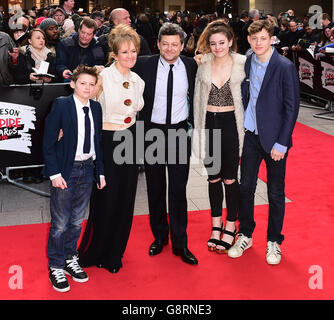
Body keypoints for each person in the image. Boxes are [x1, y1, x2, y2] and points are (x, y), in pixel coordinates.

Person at [228, 19, 300, 265]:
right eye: (254, 38)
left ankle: (274, 241)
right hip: (250, 135)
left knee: (275, 192)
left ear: (272, 39)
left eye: (263, 38)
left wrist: (282, 143)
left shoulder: (284, 66)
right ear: (249, 40)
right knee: (245, 187)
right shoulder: (247, 62)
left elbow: (292, 108)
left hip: (274, 140)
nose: (258, 43)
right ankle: (245, 234)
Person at [78, 24, 145, 274]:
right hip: (106, 141)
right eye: (125, 52)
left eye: (134, 52)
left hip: (130, 140)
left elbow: (137, 112)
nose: (130, 56)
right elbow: (83, 104)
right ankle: (96, 250)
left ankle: (115, 253)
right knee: (105, 197)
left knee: (126, 199)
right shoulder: (103, 76)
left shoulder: (138, 81)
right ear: (114, 53)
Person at [132, 22, 198, 265]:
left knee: (178, 190)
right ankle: (159, 237)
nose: (170, 49)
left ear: (182, 45)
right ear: (158, 44)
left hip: (179, 132)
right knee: (156, 188)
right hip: (152, 132)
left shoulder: (191, 65)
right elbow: (117, 69)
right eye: (165, 44)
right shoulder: (143, 64)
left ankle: (181, 243)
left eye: (175, 44)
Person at [43, 65, 106, 292]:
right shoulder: (61, 105)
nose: (87, 88)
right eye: (83, 83)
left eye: (92, 84)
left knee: (77, 221)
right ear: (73, 84)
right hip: (65, 171)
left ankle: (70, 258)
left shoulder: (97, 108)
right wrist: (54, 173)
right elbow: (48, 143)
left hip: (88, 169)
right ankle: (56, 265)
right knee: (60, 223)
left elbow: (97, 142)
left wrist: (100, 171)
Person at [193, 20, 246, 253]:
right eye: (213, 43)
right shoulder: (203, 63)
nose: (217, 47)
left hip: (232, 126)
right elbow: (196, 98)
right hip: (208, 124)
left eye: (222, 43)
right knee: (213, 178)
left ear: (231, 42)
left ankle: (232, 225)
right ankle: (216, 225)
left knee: (230, 178)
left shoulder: (243, 63)